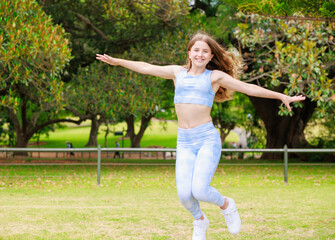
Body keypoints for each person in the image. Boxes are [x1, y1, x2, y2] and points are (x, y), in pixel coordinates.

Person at [96, 31, 305, 239]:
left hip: (206, 139)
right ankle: (200, 220)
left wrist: (281, 96)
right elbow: (147, 67)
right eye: (196, 50)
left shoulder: (215, 77)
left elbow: (248, 88)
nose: (200, 54)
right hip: (184, 141)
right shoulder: (177, 73)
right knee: (184, 196)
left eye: (205, 51)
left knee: (200, 190)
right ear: (189, 53)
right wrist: (118, 61)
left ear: (211, 56)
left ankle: (227, 205)